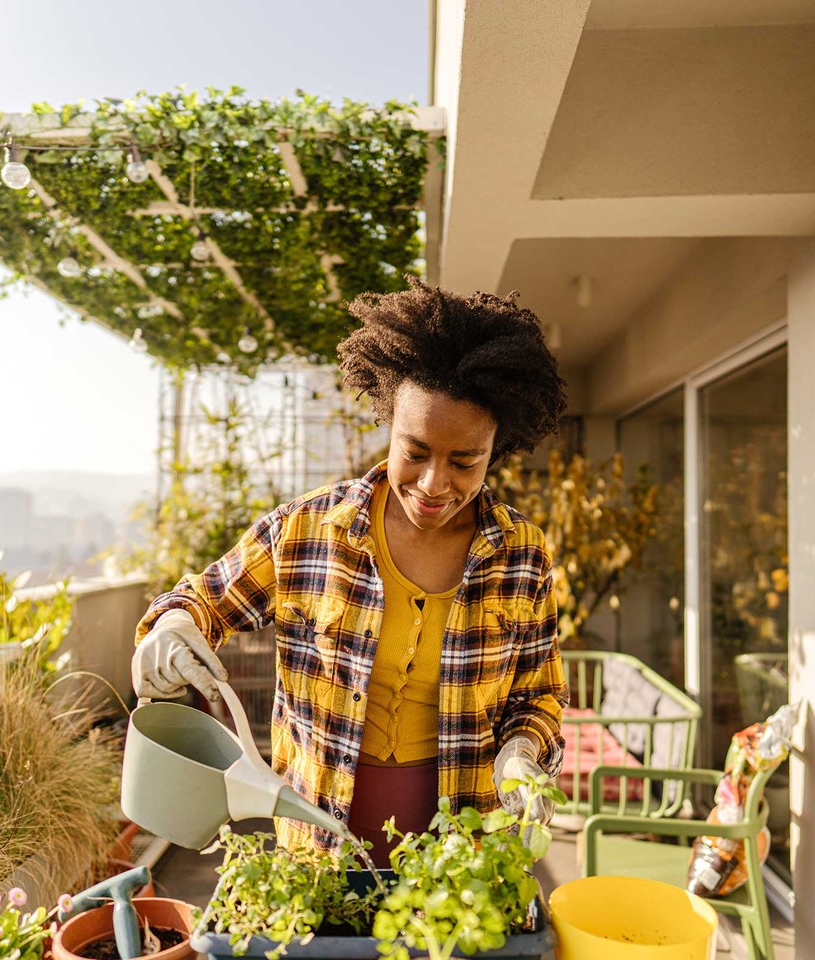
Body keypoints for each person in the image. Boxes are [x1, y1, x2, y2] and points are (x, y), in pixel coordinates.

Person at [132, 278, 570, 860]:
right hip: (318, 835)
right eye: (414, 452)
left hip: (464, 841)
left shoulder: (522, 555)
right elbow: (202, 602)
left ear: (498, 449)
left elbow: (538, 694)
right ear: (388, 424)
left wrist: (520, 752)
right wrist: (170, 629)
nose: (434, 484)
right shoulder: (307, 532)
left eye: (464, 462)